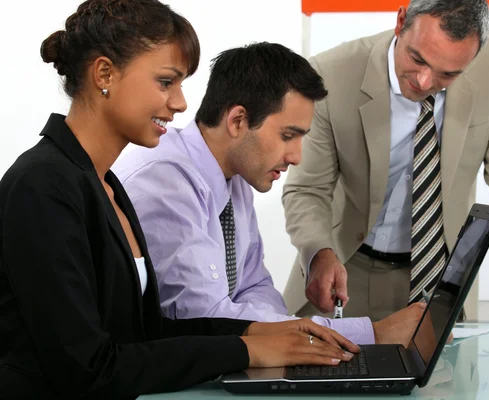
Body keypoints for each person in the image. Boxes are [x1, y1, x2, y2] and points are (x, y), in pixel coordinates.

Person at [0, 2, 358, 399]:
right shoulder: (43, 185)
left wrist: (262, 333)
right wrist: (246, 348)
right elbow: (87, 368)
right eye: (166, 82)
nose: (181, 103)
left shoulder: (106, 185)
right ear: (105, 74)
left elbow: (146, 335)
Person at [281, 0, 489, 322]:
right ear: (401, 21)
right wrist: (319, 253)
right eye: (417, 59)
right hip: (347, 270)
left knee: (448, 373)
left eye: (448, 73)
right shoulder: (331, 72)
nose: (425, 82)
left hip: (440, 278)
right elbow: (307, 189)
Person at [113, 42, 426, 349]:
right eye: (287, 136)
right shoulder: (165, 182)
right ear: (237, 121)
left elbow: (254, 286)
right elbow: (207, 319)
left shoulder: (233, 178)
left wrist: (291, 338)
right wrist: (371, 334)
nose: (296, 156)